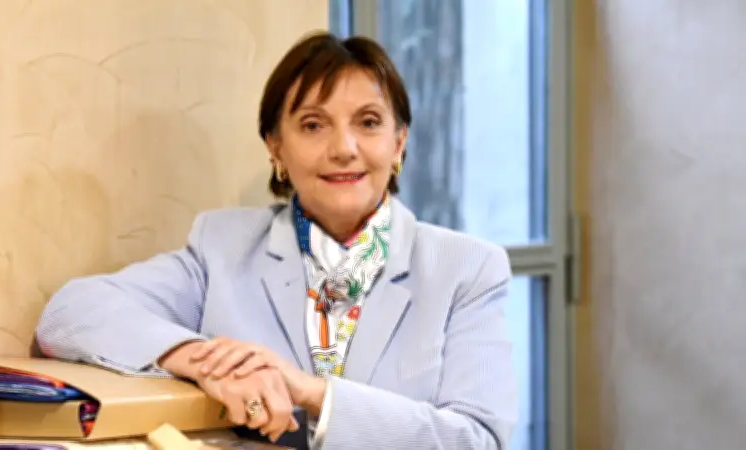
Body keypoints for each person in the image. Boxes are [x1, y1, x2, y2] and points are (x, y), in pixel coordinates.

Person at [36, 31, 518, 450]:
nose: (344, 148)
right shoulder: (224, 246)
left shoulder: (466, 269)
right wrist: (206, 364)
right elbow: (70, 312)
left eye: (368, 122)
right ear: (276, 148)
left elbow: (478, 438)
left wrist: (311, 392)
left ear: (399, 142)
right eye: (313, 125)